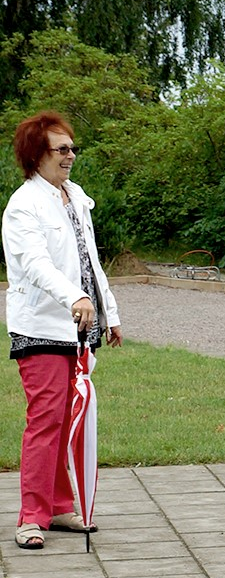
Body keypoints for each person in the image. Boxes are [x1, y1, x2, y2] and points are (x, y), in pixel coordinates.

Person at [2, 111, 122, 550]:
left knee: (67, 419)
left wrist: (111, 313)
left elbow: (90, 261)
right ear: (38, 155)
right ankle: (30, 517)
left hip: (81, 328)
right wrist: (74, 297)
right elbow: (35, 265)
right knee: (45, 419)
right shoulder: (23, 205)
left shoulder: (74, 196)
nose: (71, 155)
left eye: (72, 147)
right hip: (41, 328)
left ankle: (58, 505)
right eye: (62, 149)